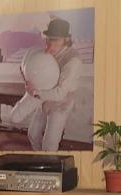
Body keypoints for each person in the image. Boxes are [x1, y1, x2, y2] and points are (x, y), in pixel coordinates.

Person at [24, 18, 83, 151]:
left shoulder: (73, 61)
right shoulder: (49, 53)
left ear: (66, 39)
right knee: (32, 134)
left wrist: (34, 92)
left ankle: (49, 162)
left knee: (49, 144)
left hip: (62, 103)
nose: (51, 43)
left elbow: (60, 93)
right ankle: (41, 161)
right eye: (49, 39)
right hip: (44, 97)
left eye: (55, 39)